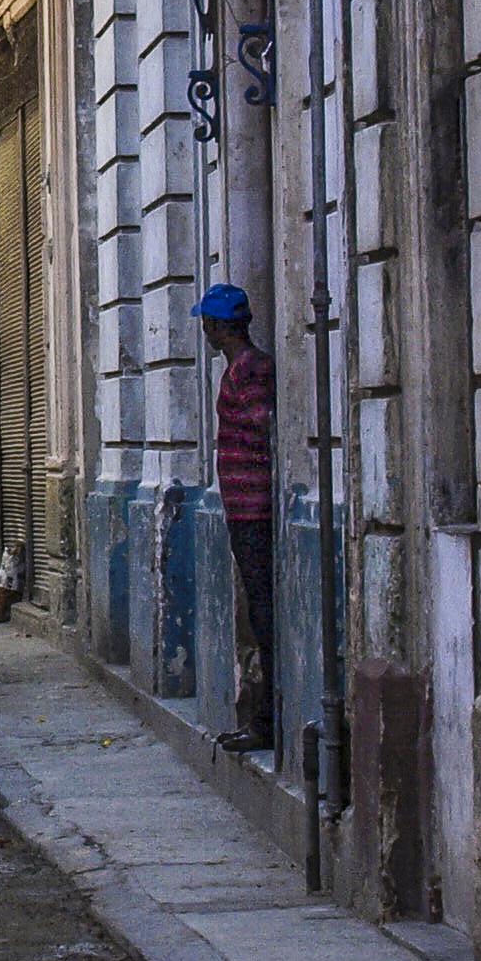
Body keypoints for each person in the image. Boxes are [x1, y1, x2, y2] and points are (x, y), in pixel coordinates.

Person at [196, 283, 276, 753]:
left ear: (219, 325)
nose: (204, 330)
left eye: (207, 322)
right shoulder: (237, 371)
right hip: (242, 511)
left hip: (255, 512)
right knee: (256, 614)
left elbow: (264, 425)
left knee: (262, 618)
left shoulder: (250, 370)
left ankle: (265, 721)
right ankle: (259, 717)